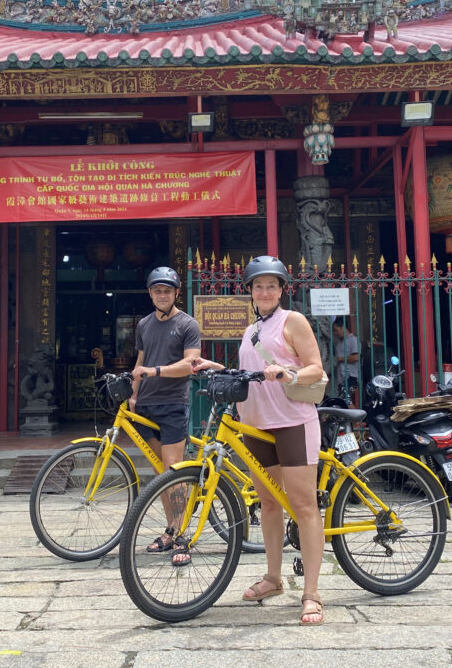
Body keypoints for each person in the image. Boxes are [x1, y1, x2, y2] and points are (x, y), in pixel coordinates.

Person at [192, 255, 326, 625]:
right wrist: (217, 368)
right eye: (258, 286)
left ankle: (312, 593)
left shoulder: (292, 320)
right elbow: (252, 374)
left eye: (271, 285)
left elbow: (315, 367)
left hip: (292, 422)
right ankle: (273, 577)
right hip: (257, 426)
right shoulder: (251, 329)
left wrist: (288, 372)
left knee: (303, 506)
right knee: (268, 503)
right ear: (249, 292)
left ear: (282, 289)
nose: (265, 291)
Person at [129, 265, 202, 567]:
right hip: (146, 406)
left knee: (174, 471)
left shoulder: (187, 324)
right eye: (157, 290)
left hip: (172, 404)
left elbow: (191, 363)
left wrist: (155, 372)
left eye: (167, 290)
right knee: (162, 474)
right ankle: (171, 530)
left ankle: (182, 535)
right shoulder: (144, 324)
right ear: (150, 293)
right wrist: (134, 393)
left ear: (175, 293)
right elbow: (140, 361)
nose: (162, 294)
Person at [331, 315, 360, 404]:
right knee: (343, 402)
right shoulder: (339, 343)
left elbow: (356, 357)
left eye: (336, 330)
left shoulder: (353, 340)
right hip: (341, 378)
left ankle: (358, 418)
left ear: (342, 327)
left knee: (346, 401)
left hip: (350, 376)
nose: (335, 333)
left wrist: (339, 359)